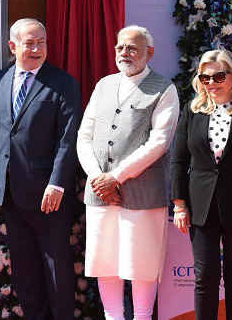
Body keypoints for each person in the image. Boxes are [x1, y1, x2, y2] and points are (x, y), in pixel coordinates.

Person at [0, 18, 81, 320]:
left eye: (42, 42)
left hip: (49, 198)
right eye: (29, 43)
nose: (36, 49)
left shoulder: (64, 83)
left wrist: (57, 184)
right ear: (13, 46)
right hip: (10, 195)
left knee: (56, 272)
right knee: (25, 273)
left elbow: (68, 138)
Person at [77, 25, 180, 320]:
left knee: (142, 264)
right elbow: (84, 136)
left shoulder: (164, 88)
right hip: (100, 194)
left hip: (144, 195)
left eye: (132, 48)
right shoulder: (104, 85)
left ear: (149, 53)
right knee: (105, 263)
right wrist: (98, 178)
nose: (125, 53)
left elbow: (159, 142)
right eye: (120, 47)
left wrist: (116, 178)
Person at [171, 49, 232, 320]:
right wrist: (179, 204)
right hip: (201, 206)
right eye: (205, 78)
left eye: (219, 76)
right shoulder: (193, 109)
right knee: (204, 278)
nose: (212, 83)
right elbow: (178, 159)